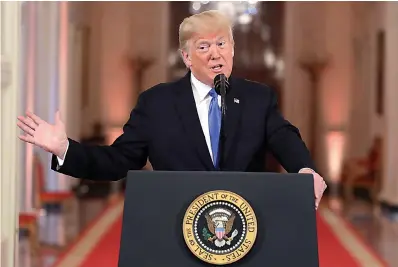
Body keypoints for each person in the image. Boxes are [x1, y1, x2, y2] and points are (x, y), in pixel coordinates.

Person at [17, 10, 327, 208]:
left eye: (222, 43)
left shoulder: (258, 98)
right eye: (203, 47)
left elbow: (283, 135)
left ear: (232, 49)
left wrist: (305, 169)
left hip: (244, 224)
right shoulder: (157, 103)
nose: (215, 53)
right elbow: (119, 161)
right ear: (187, 57)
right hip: (177, 226)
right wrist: (64, 149)